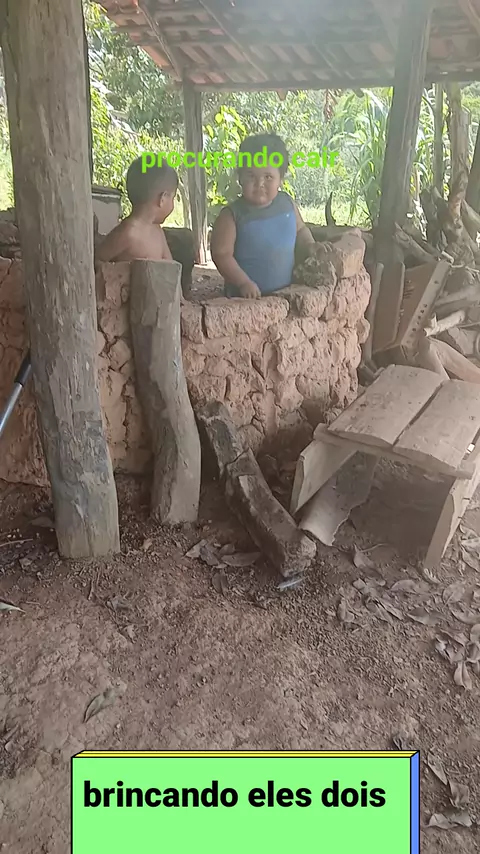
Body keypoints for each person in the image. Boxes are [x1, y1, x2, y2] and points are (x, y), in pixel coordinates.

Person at [210, 133, 315, 299]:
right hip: (245, 300)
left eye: (268, 177)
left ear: (280, 179)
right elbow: (221, 255)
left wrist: (310, 246)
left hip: (287, 297)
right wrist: (243, 282)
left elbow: (301, 230)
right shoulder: (231, 216)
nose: (259, 184)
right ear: (240, 178)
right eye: (251, 176)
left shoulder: (287, 204)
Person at [95, 157, 177, 264]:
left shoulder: (158, 231)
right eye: (173, 198)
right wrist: (118, 271)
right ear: (163, 199)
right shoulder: (127, 233)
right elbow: (97, 259)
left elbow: (170, 267)